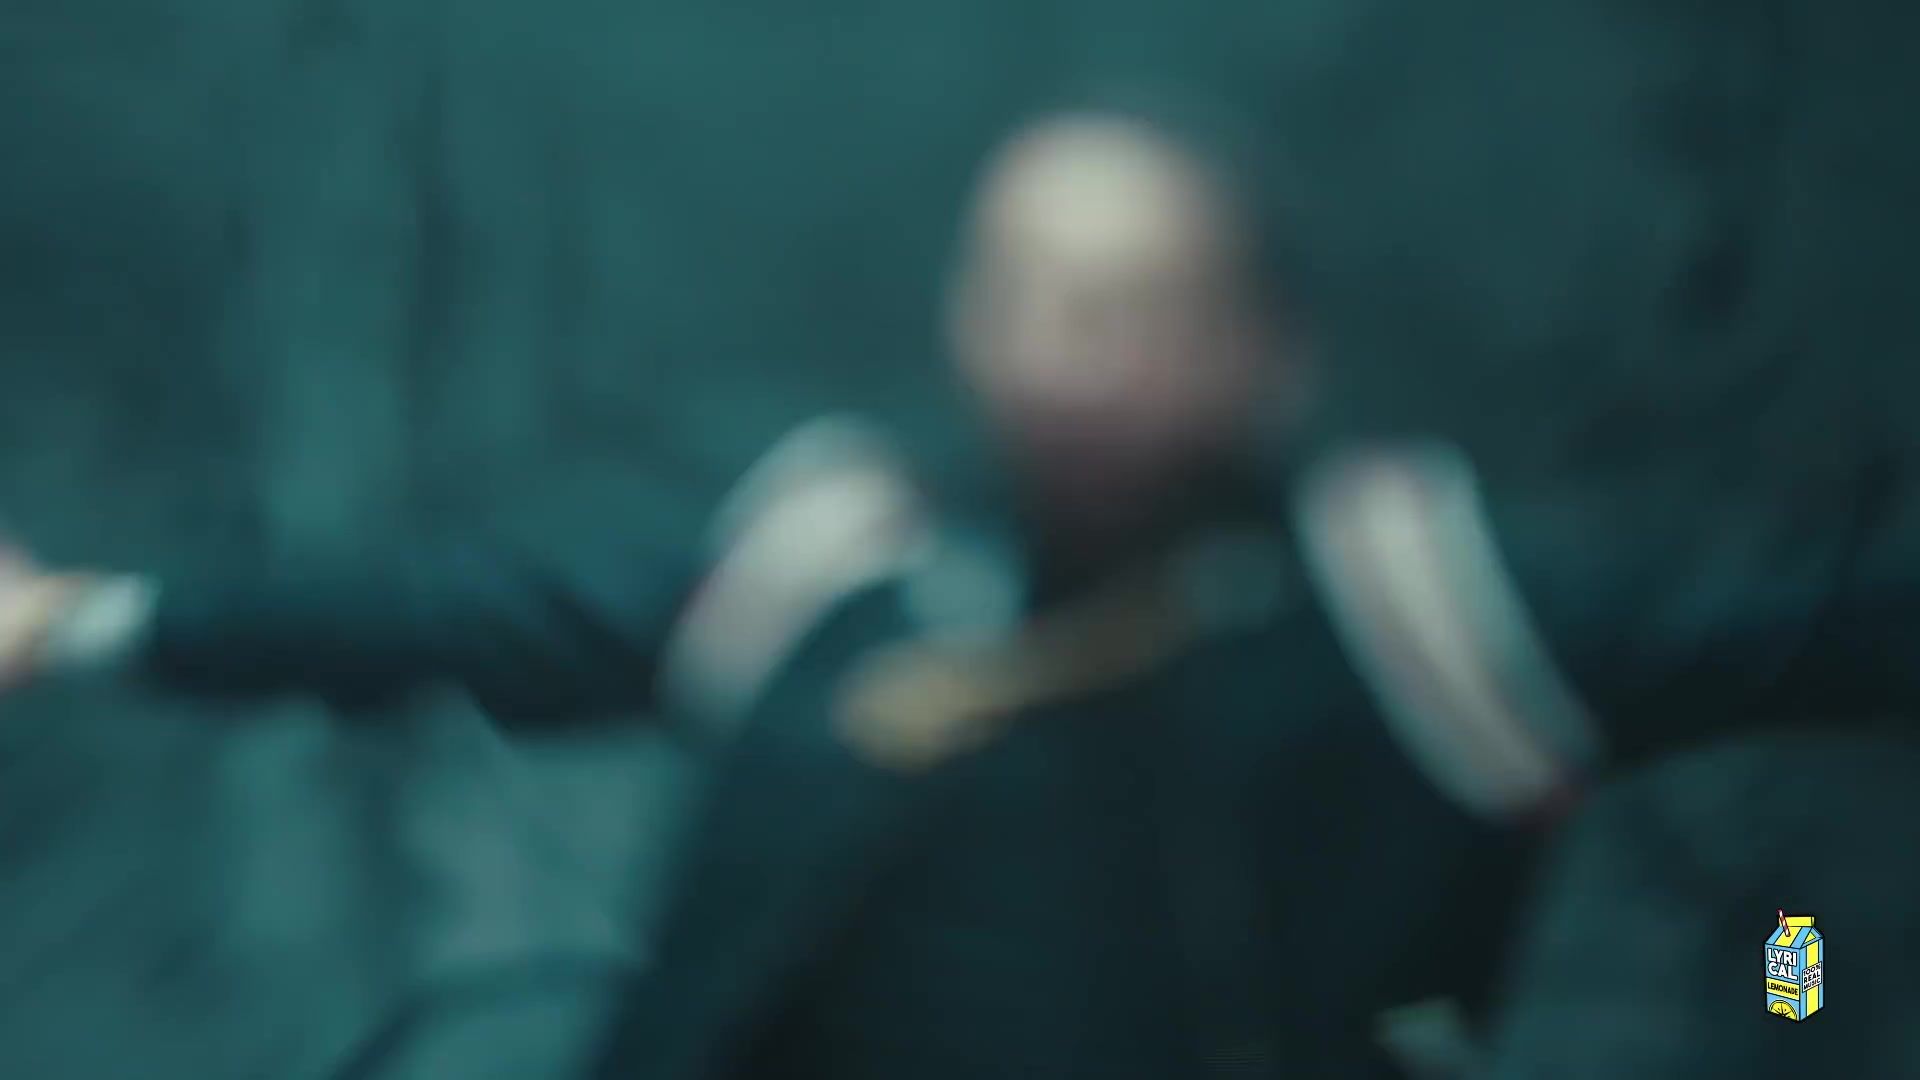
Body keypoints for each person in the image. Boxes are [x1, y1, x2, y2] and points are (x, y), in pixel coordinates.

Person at [5, 93, 1920, 1080]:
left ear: (1264, 346)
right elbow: (457, 613)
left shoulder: (1422, 608)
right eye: (1030, 292)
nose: (1071, 352)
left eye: (1136, 305)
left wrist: (1795, 1000)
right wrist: (85, 614)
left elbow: (1820, 723)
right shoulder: (839, 566)